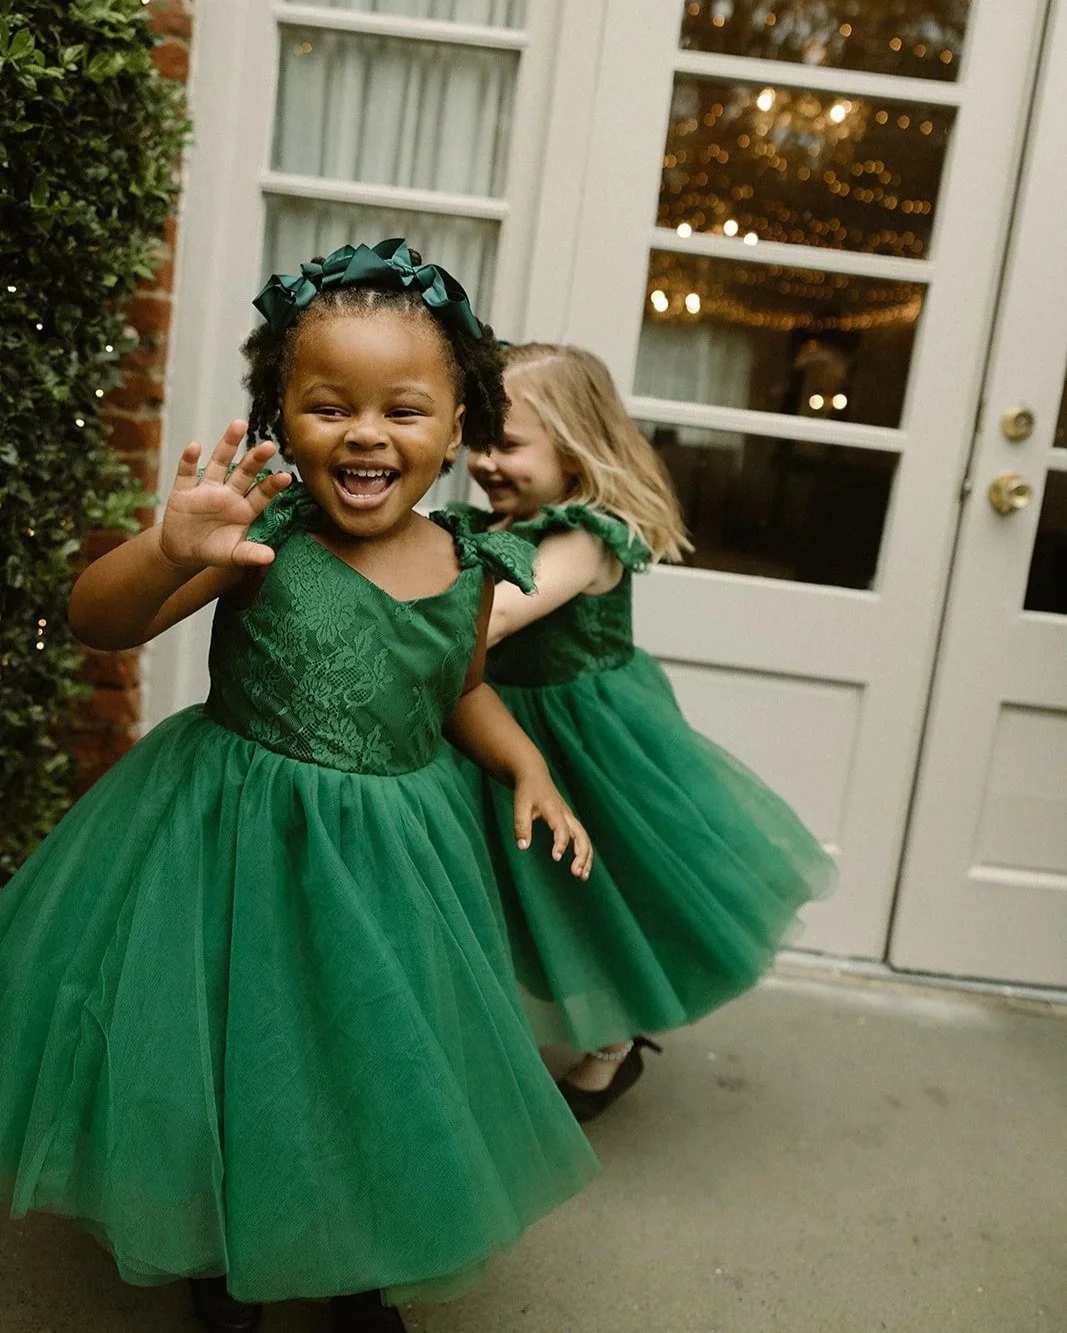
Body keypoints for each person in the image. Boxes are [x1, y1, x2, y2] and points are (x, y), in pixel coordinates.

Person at [0, 246, 598, 1333]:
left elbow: (455, 688)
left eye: (403, 410)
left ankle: (356, 1260)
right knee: (230, 1059)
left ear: (457, 426)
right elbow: (99, 622)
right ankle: (220, 1257)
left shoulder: (467, 564)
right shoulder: (259, 538)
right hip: (232, 847)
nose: (366, 432)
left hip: (391, 864)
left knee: (368, 1061)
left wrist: (527, 763)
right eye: (328, 405)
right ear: (281, 415)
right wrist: (166, 547)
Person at [453, 342, 835, 1123]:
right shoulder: (487, 523)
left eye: (508, 443)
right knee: (488, 890)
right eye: (477, 437)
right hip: (489, 732)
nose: (485, 459)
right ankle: (476, 1031)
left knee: (595, 896)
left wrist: (380, 617)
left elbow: (499, 618)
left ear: (576, 445)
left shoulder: (583, 536)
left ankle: (612, 1039)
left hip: (584, 745)